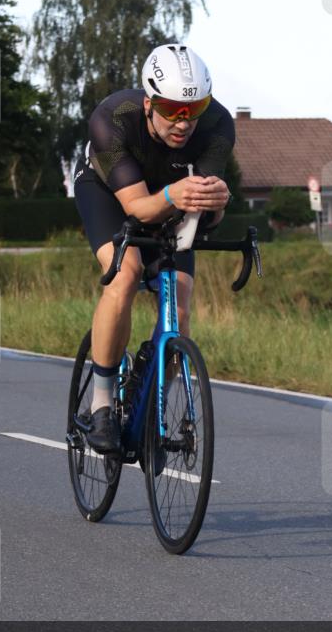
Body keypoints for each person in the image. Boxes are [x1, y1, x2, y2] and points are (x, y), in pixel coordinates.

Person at [73, 43, 235, 452]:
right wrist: (178, 195)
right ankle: (104, 404)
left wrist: (215, 205)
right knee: (124, 276)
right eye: (171, 109)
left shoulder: (217, 124)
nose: (183, 122)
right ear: (149, 103)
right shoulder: (113, 119)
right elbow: (138, 208)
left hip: (170, 201)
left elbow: (202, 213)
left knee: (178, 305)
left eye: (193, 109)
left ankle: (151, 402)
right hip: (111, 195)